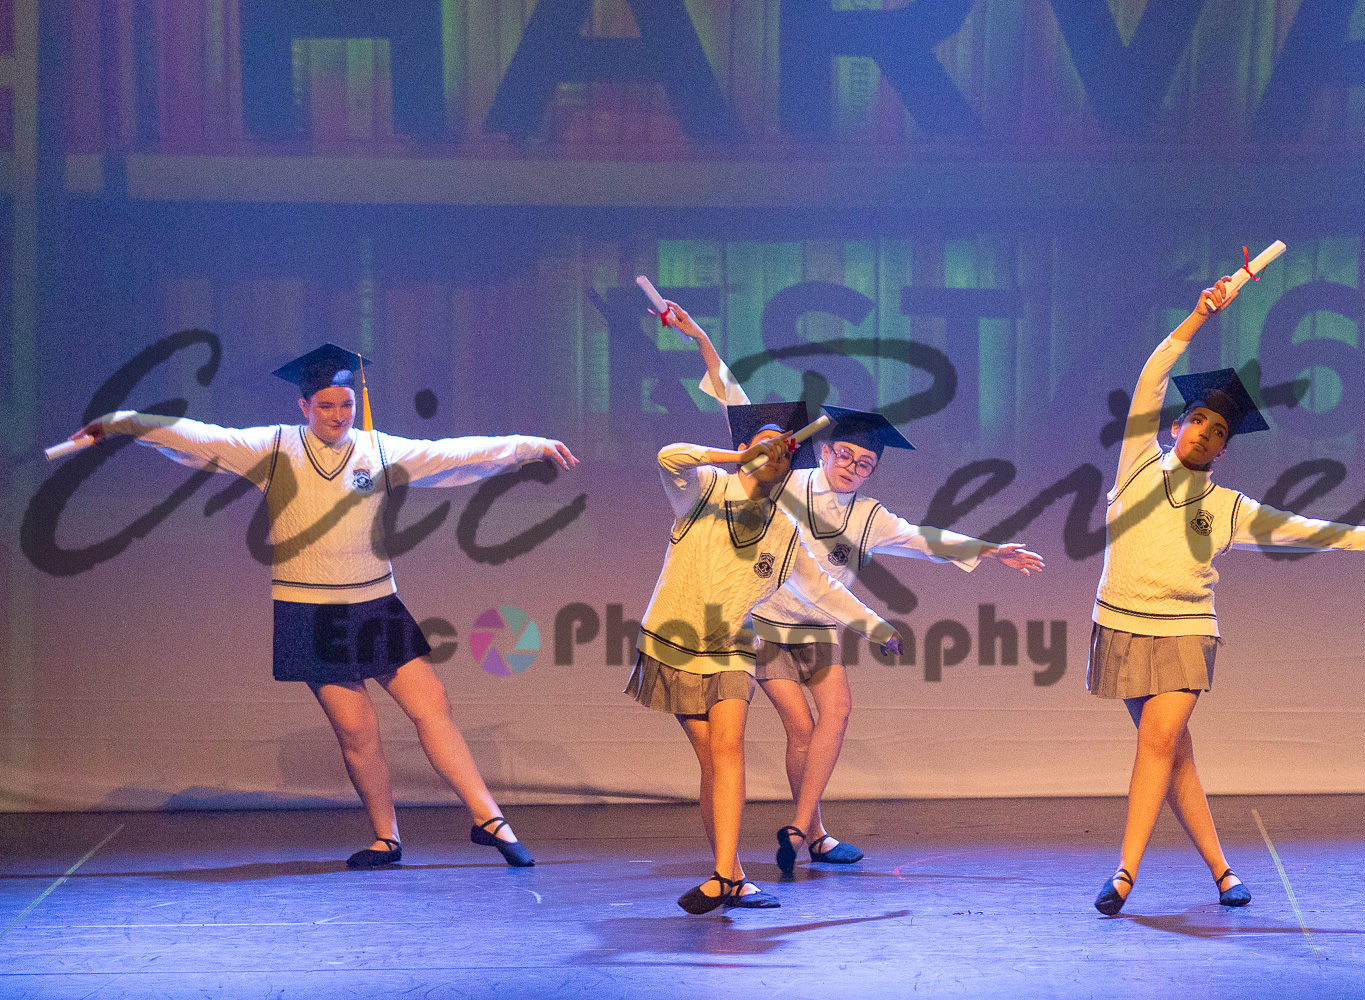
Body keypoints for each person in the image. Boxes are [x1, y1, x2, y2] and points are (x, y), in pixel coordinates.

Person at [68, 343, 579, 869]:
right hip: (311, 613)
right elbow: (200, 436)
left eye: (347, 405)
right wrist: (123, 422)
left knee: (433, 707)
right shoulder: (274, 448)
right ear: (304, 406)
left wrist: (529, 446)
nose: (338, 415)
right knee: (357, 732)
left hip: (375, 603)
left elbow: (452, 454)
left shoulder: (377, 450)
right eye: (327, 406)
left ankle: (488, 820)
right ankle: (386, 838)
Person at [1090, 277, 1365, 915]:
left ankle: (1124, 874)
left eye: (1218, 430)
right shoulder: (1137, 463)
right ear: (1177, 426)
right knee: (1176, 756)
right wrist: (1199, 313)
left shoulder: (1228, 507)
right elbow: (1152, 375)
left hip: (1185, 633)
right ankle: (1223, 872)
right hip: (1122, 624)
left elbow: (1307, 529)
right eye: (1197, 420)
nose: (1204, 432)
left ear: (1224, 448)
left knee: (1156, 744)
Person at [661, 300, 1044, 872]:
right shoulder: (784, 481)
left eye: (864, 463)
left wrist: (990, 550)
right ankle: (812, 834)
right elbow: (739, 408)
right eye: (844, 454)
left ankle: (801, 827)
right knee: (800, 727)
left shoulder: (869, 516)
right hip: (765, 626)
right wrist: (701, 339)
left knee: (835, 713)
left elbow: (923, 539)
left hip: (819, 629)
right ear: (823, 450)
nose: (851, 466)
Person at [627, 400, 903, 913]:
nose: (773, 456)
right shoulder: (705, 489)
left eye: (783, 452)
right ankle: (731, 875)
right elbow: (669, 456)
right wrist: (735, 459)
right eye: (761, 447)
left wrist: (876, 626)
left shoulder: (783, 528)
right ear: (741, 450)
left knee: (729, 746)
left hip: (732, 643)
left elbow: (822, 589)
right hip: (675, 641)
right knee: (711, 761)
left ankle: (723, 877)